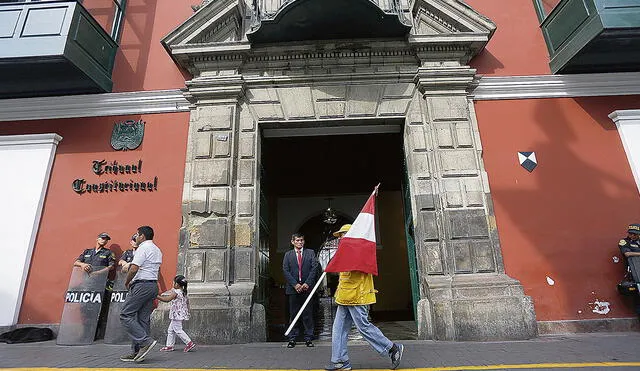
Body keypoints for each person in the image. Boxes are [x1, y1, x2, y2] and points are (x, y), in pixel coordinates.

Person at [325, 224, 404, 371]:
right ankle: (340, 361)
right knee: (338, 329)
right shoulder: (345, 252)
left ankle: (392, 348)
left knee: (363, 327)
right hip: (344, 296)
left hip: (357, 296)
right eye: (340, 236)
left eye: (343, 235)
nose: (340, 238)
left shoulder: (358, 252)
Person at [119, 226, 162, 363]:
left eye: (137, 235)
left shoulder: (143, 248)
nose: (135, 237)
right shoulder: (157, 249)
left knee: (126, 314)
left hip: (141, 285)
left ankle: (145, 342)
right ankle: (137, 352)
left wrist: (127, 281)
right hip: (152, 285)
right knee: (142, 319)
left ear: (142, 236)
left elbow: (134, 268)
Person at [73, 232, 116, 340]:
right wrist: (83, 264)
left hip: (100, 285)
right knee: (84, 309)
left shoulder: (108, 253)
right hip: (86, 285)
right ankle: (85, 333)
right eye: (102, 238)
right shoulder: (87, 252)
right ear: (97, 239)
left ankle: (95, 334)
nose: (104, 240)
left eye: (106, 239)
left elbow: (111, 267)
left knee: (97, 310)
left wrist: (98, 273)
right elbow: (76, 262)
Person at [282, 232, 319, 348]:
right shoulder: (288, 255)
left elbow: (314, 269)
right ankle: (292, 338)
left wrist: (307, 283)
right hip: (293, 290)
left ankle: (308, 338)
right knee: (293, 314)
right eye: (297, 240)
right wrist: (295, 285)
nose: (300, 242)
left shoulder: (310, 253)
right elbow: (285, 270)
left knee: (308, 314)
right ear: (292, 242)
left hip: (307, 289)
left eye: (301, 240)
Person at [157, 275, 196, 352]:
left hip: (176, 314)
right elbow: (187, 303)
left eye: (173, 282)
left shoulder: (176, 292)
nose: (173, 283)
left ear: (177, 284)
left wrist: (157, 296)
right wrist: (188, 311)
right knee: (171, 330)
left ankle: (189, 343)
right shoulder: (184, 292)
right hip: (180, 314)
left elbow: (167, 299)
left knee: (178, 330)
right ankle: (169, 345)